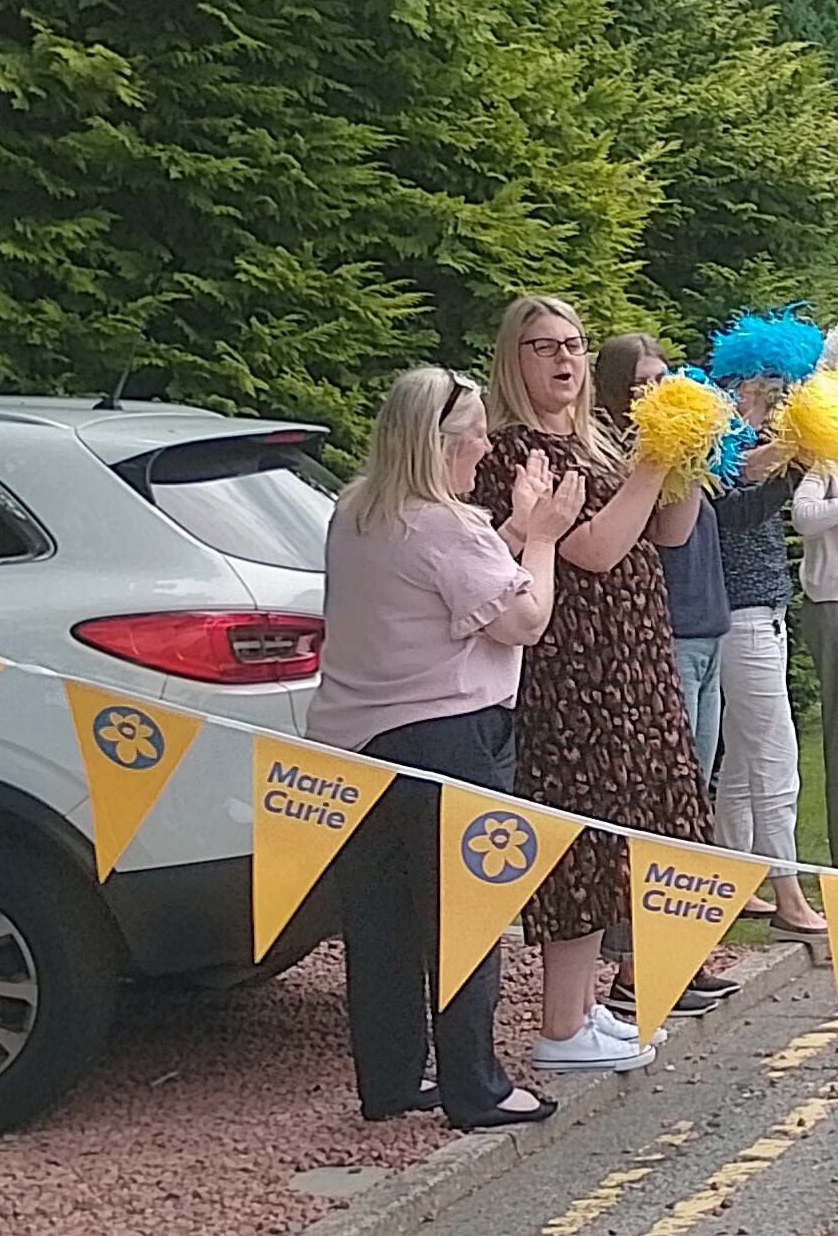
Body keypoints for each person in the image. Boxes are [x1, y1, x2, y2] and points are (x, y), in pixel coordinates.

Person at [314, 365, 571, 1128]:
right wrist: (545, 541)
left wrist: (516, 531)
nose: (487, 449)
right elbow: (522, 620)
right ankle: (476, 1087)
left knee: (381, 921)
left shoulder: (355, 509)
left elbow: (444, 581)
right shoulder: (445, 525)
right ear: (436, 446)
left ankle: (390, 1080)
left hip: (355, 742)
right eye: (473, 436)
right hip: (451, 739)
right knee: (465, 918)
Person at [468, 295, 712, 1076]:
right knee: (578, 831)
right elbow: (599, 549)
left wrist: (688, 458)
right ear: (516, 359)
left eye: (573, 345)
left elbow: (668, 533)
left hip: (633, 659)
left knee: (627, 826)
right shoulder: (514, 455)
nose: (565, 360)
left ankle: (584, 1012)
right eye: (543, 347)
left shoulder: (600, 443)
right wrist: (651, 459)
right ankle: (559, 1025)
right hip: (573, 671)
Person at [596, 334, 742, 1006]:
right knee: (654, 801)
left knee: (691, 796)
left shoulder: (667, 455)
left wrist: (694, 450)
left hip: (706, 627)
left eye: (665, 381)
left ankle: (679, 946)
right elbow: (662, 536)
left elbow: (689, 524)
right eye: (642, 385)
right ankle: (635, 965)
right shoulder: (619, 459)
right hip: (664, 637)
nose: (656, 394)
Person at [709, 365, 821, 944]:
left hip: (762, 611)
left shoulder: (747, 443)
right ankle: (789, 893)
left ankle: (734, 877)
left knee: (742, 759)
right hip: (741, 613)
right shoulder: (712, 446)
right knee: (775, 754)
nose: (773, 398)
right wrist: (795, 466)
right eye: (763, 387)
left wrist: (790, 456)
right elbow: (739, 511)